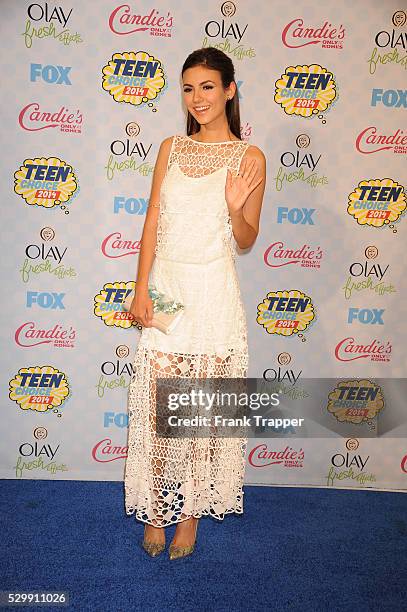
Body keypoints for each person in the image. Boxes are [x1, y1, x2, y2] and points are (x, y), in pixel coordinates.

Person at [124, 46, 266, 560]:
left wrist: (234, 210)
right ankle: (158, 511)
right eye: (188, 88)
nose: (197, 98)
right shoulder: (170, 148)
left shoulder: (249, 158)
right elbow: (152, 221)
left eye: (207, 87)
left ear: (229, 89)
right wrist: (140, 289)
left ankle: (190, 517)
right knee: (161, 401)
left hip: (213, 292)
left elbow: (247, 238)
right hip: (167, 286)